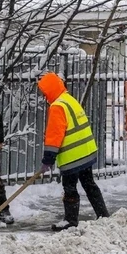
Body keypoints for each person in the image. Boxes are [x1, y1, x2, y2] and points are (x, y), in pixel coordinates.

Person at [37, 72, 110, 231]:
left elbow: (54, 135)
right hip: (86, 151)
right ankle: (103, 215)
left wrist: (48, 159)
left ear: (50, 90)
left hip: (73, 156)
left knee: (69, 187)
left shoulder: (57, 106)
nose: (44, 97)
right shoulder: (69, 99)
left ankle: (70, 220)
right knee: (89, 184)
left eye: (44, 92)